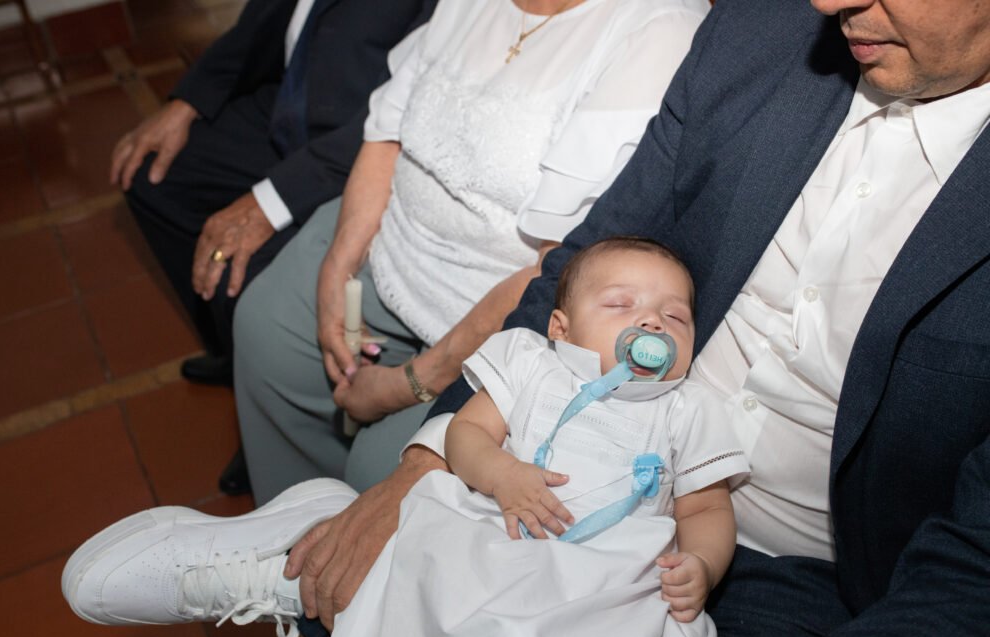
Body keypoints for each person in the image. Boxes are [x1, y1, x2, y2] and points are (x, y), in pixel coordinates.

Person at [271, 0, 988, 637]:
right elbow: (587, 263)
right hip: (577, 465)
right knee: (380, 607)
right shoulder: (759, 34)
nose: (827, 4)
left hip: (804, 576)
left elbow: (971, 575)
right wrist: (425, 466)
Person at [63, 238, 750, 637]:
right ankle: (301, 568)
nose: (651, 323)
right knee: (429, 600)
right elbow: (466, 436)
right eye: (621, 304)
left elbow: (706, 508)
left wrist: (702, 563)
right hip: (494, 539)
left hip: (608, 590)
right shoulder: (534, 364)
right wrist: (501, 473)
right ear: (560, 327)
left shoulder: (686, 408)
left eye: (675, 316)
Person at [234, 0, 711, 501]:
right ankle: (293, 527)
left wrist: (406, 385)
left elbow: (557, 268)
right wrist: (339, 267)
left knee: (383, 473)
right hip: (394, 243)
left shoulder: (656, 32)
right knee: (267, 330)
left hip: (500, 320)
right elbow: (386, 134)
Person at [113, 0, 436, 388]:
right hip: (289, 100)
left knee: (240, 275)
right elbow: (267, 11)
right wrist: (190, 100)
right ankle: (231, 350)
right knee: (151, 176)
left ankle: (263, 377)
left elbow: (410, 98)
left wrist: (269, 203)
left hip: (356, 141)